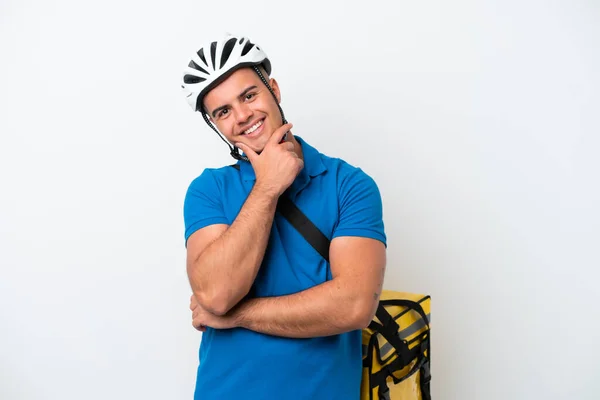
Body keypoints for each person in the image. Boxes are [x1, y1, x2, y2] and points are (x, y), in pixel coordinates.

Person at [180, 34, 387, 400]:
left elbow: (354, 305)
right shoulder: (209, 190)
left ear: (273, 89)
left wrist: (237, 315)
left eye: (249, 95)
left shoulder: (349, 185)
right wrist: (268, 187)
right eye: (223, 111)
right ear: (215, 125)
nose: (243, 116)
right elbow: (215, 294)